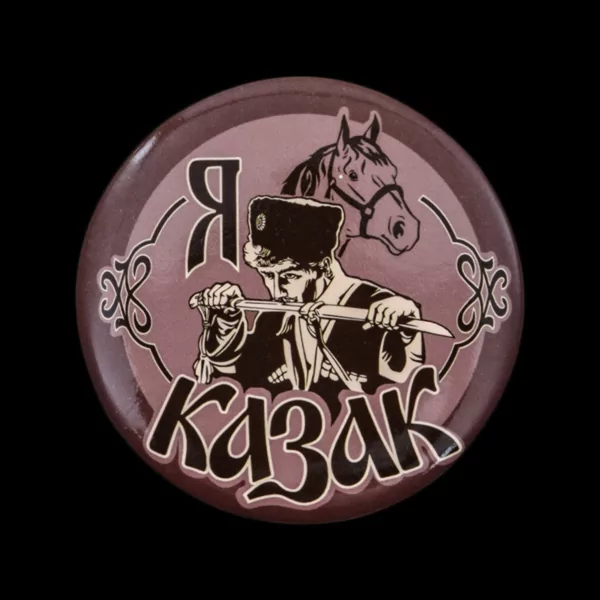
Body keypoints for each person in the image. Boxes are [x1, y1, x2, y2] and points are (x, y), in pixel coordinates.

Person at [191, 195, 425, 422]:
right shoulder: (273, 319)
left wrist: (406, 332)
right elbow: (241, 380)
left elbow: (407, 391)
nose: (277, 291)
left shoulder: (375, 306)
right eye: (268, 276)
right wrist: (226, 321)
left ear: (324, 266)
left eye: (289, 276)